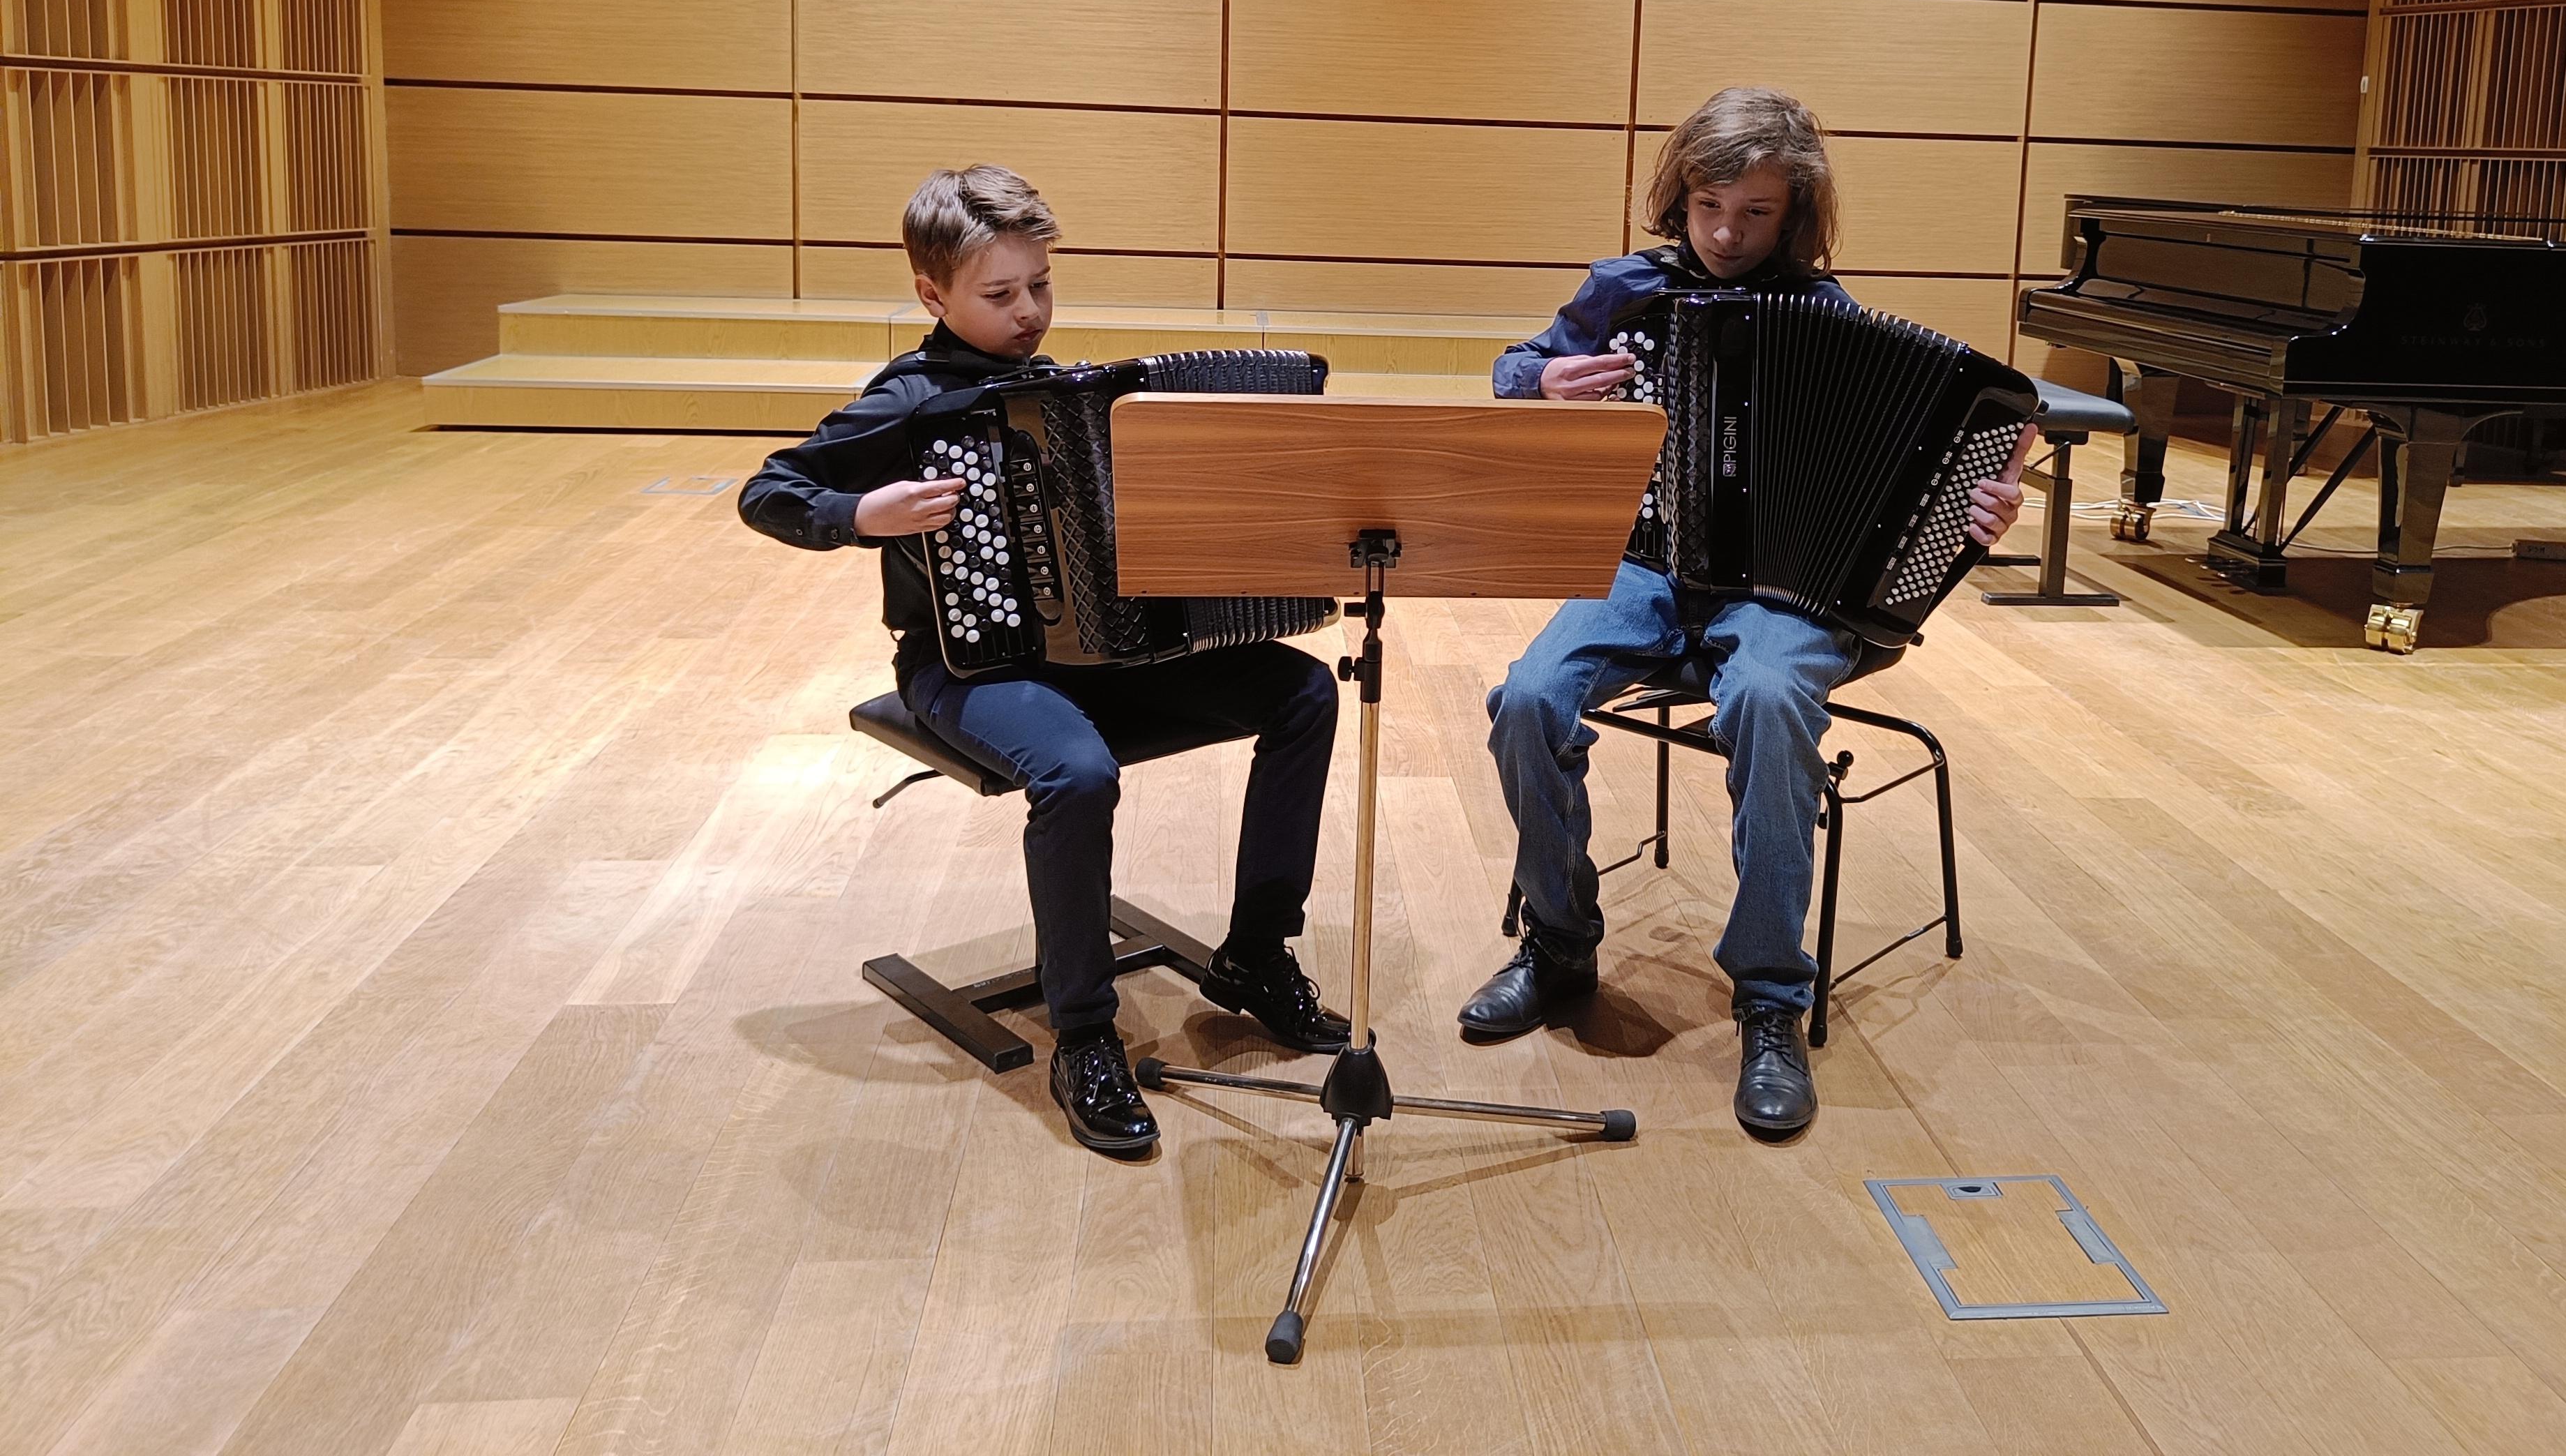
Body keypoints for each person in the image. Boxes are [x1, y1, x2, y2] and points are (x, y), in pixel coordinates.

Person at [740, 165, 1344, 1159]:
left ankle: (1254, 954)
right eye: (1000, 294)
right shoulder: (909, 401)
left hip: (1104, 663)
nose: (1028, 312)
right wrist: (861, 513)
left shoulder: (1072, 396)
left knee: (1303, 690)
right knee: (1076, 771)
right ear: (932, 294)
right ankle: (1084, 1035)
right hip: (968, 671)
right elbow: (770, 490)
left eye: (1040, 286)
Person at [1466, 88, 2031, 1139]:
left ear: (1795, 214)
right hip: (1644, 566)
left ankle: (1771, 997)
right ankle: (1560, 943)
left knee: (1768, 700)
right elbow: (1512, 369)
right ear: (1679, 197)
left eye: (1756, 214)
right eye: (1709, 207)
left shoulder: (1833, 319)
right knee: (1528, 698)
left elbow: (1937, 482)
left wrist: (1978, 507)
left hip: (1786, 594)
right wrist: (1546, 380)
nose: (1726, 234)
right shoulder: (1628, 289)